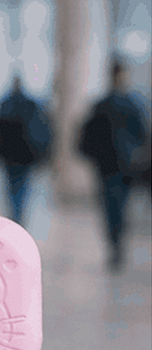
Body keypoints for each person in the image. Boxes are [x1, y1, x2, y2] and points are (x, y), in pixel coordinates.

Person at [78, 59, 149, 272]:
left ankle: (115, 242)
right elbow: (143, 135)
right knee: (119, 205)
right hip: (124, 165)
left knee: (111, 205)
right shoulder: (132, 104)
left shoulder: (103, 104)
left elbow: (87, 135)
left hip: (108, 165)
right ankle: (117, 242)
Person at [0, 75, 52, 227]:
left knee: (11, 187)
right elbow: (40, 131)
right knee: (23, 187)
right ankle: (19, 216)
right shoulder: (31, 105)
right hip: (26, 156)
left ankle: (15, 215)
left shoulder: (5, 104)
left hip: (9, 156)